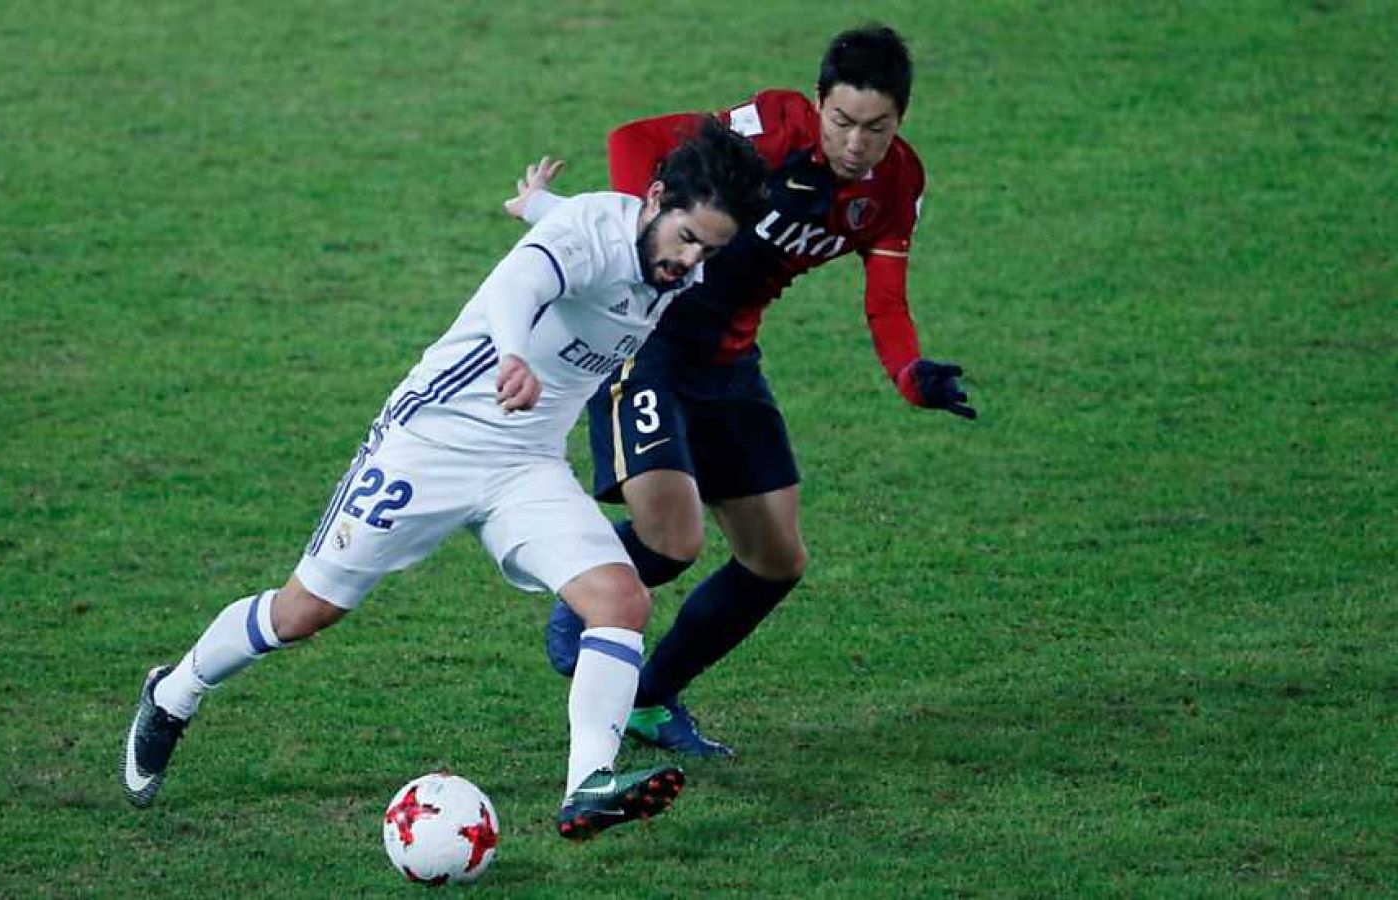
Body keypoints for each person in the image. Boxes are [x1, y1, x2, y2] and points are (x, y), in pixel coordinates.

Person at [121, 119, 768, 841]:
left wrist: (534, 203)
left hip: (526, 464)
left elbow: (604, 240)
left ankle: (587, 785)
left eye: (710, 248)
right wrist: (514, 353)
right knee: (303, 613)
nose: (691, 261)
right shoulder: (590, 231)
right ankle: (174, 692)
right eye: (687, 239)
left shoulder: (663, 250)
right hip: (429, 444)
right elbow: (522, 281)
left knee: (619, 600)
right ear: (653, 201)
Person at [510, 25, 976, 758]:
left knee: (776, 560)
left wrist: (912, 377)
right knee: (672, 539)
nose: (856, 143)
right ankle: (584, 589)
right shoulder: (775, 128)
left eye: (876, 129)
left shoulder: (896, 184)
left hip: (729, 362)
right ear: (819, 102)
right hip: (651, 338)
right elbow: (635, 137)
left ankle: (650, 700)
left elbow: (886, 303)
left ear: (900, 123)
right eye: (843, 121)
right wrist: (646, 241)